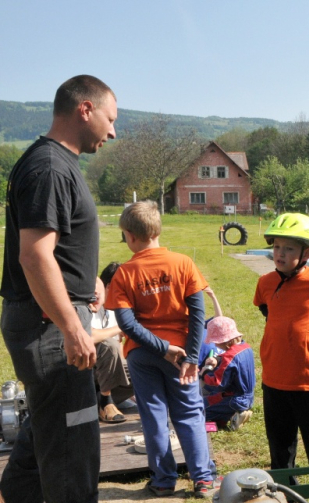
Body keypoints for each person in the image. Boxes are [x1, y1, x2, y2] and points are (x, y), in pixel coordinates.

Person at [0, 75, 116, 503]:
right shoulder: (49, 166)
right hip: (50, 327)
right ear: (85, 109)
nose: (113, 130)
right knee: (73, 447)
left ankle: (17, 494)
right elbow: (34, 256)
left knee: (51, 426)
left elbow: (57, 248)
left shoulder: (56, 163)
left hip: (50, 321)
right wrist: (72, 328)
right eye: (110, 118)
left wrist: (89, 279)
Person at [104, 201, 217, 498]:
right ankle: (204, 480)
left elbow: (127, 325)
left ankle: (164, 481)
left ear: (129, 235)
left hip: (143, 356)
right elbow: (197, 315)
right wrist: (191, 356)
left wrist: (161, 348)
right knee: (190, 414)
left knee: (153, 416)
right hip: (182, 354)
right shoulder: (183, 263)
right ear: (157, 229)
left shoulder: (124, 273)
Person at [253, 213, 309, 480]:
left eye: (289, 248)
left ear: (308, 253)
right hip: (274, 379)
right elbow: (267, 310)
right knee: (280, 450)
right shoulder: (265, 283)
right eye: (277, 246)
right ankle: (285, 494)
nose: (280, 253)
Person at [90, 273, 133, 423]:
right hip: (83, 369)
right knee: (109, 345)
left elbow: (120, 353)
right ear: (109, 286)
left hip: (102, 373)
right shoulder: (85, 306)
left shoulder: (113, 311)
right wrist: (121, 327)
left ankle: (99, 400)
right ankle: (105, 402)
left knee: (142, 367)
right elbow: (91, 337)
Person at [199, 316, 255, 431]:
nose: (214, 345)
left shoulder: (229, 358)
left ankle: (234, 415)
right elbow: (230, 358)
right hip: (246, 397)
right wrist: (217, 359)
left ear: (223, 341)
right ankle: (232, 414)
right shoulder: (246, 347)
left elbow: (218, 383)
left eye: (215, 342)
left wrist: (205, 374)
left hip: (233, 399)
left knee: (198, 412)